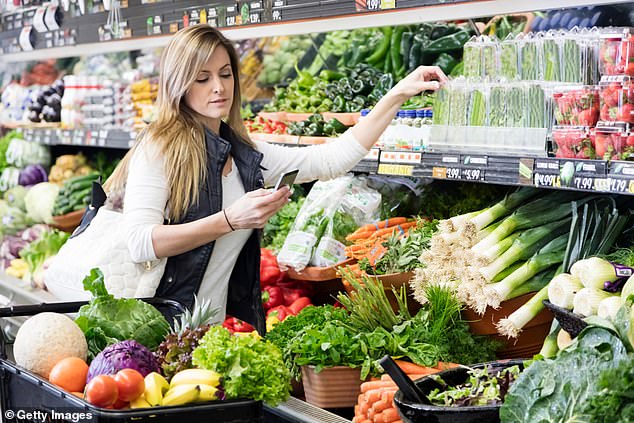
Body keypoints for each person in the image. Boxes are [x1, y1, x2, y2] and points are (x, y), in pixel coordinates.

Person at [104, 24, 447, 333]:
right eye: (202, 78)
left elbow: (331, 159)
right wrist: (229, 220)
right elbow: (141, 242)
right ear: (179, 83)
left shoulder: (243, 153)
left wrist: (399, 94)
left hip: (207, 333)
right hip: (156, 328)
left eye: (225, 74)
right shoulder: (160, 146)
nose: (219, 87)